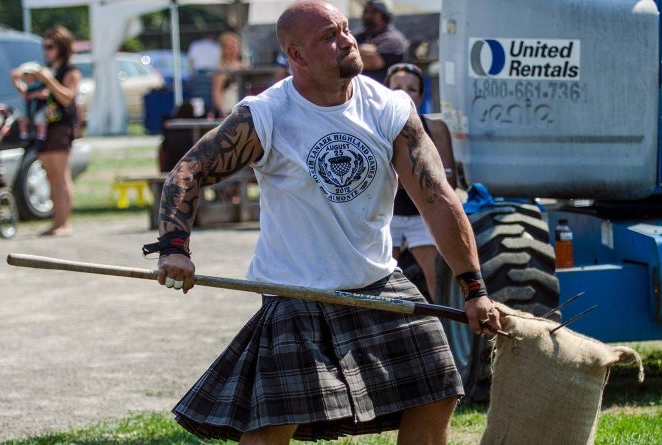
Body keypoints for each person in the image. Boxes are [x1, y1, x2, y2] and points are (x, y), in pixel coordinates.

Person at [149, 1, 501, 443]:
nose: (347, 40)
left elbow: (437, 200)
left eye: (345, 29)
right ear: (296, 55)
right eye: (329, 36)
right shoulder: (265, 115)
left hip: (376, 282)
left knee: (439, 389)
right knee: (272, 421)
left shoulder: (389, 108)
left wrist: (474, 289)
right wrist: (175, 248)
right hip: (296, 291)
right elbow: (188, 172)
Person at [386, 62, 456, 301]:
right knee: (379, 276)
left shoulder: (436, 129)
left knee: (436, 277)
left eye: (412, 89)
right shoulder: (378, 128)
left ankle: (444, 328)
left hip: (422, 216)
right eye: (397, 88)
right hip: (389, 215)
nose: (405, 94)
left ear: (421, 95)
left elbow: (450, 180)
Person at [30, 25, 81, 237]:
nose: (46, 51)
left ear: (61, 47)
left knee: (61, 175)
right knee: (50, 175)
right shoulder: (49, 70)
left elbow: (68, 97)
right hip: (45, 127)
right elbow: (32, 95)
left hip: (62, 126)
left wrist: (48, 80)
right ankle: (55, 221)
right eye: (44, 46)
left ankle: (65, 223)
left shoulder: (70, 72)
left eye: (50, 46)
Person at [354, 0, 407, 84]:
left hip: (384, 92)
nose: (365, 15)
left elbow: (373, 62)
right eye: (365, 11)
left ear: (381, 15)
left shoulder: (393, 39)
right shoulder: (360, 36)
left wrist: (350, 53)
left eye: (369, 11)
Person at [211, 31, 248, 117]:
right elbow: (216, 93)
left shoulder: (243, 65)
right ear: (223, 49)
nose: (233, 49)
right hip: (228, 110)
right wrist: (222, 112)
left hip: (244, 109)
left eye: (235, 46)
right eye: (229, 47)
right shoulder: (221, 68)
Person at [10, 63, 48, 147]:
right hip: (31, 111)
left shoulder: (41, 84)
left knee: (40, 119)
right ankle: (24, 137)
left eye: (28, 75)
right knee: (22, 118)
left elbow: (46, 93)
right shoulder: (29, 87)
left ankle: (41, 137)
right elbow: (22, 89)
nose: (26, 77)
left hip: (41, 109)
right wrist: (15, 80)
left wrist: (34, 95)